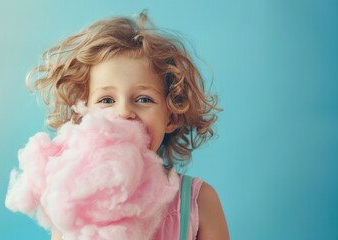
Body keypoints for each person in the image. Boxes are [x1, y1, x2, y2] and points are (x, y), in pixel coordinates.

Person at [28, 11, 229, 240]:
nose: (124, 112)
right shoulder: (75, 199)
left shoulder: (199, 201)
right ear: (83, 117)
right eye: (106, 100)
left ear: (172, 117)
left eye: (143, 99)